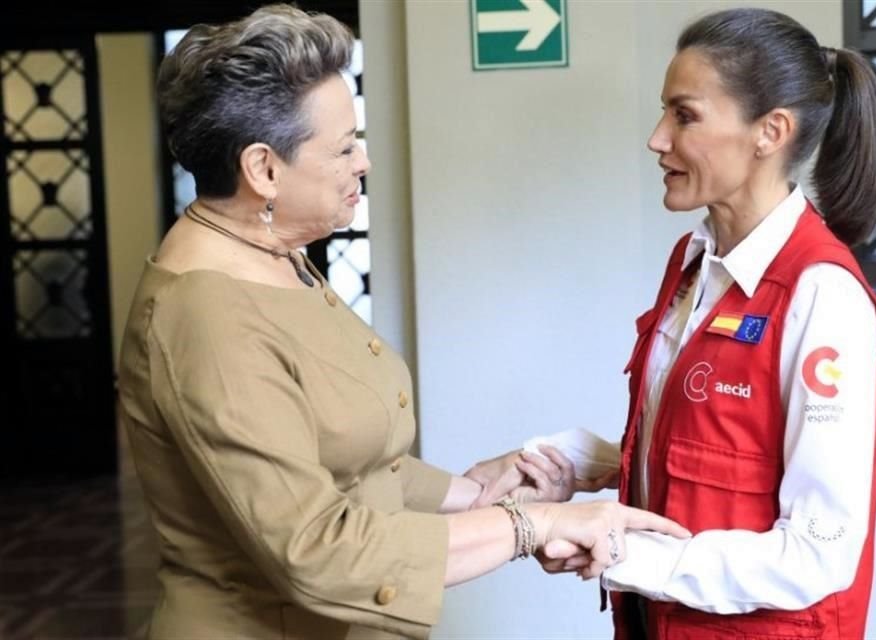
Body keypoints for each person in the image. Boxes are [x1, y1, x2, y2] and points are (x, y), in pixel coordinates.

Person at [115, 4, 689, 639]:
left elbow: (348, 456)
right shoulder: (206, 319)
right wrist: (533, 528)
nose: (362, 162)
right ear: (263, 169)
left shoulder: (274, 256)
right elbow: (318, 551)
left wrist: (474, 494)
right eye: (342, 148)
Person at [533, 7, 876, 640]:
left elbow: (818, 552)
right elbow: (717, 453)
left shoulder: (821, 297)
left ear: (769, 132)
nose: (657, 138)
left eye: (684, 115)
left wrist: (623, 551)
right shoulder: (694, 261)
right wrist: (568, 459)